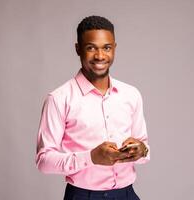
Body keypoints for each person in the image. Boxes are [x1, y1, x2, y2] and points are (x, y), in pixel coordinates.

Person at [36, 15, 150, 200]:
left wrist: (141, 149)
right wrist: (91, 157)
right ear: (78, 49)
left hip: (127, 194)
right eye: (91, 48)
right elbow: (44, 161)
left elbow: (144, 146)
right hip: (83, 196)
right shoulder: (59, 99)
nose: (100, 56)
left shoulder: (131, 94)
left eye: (106, 48)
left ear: (114, 48)